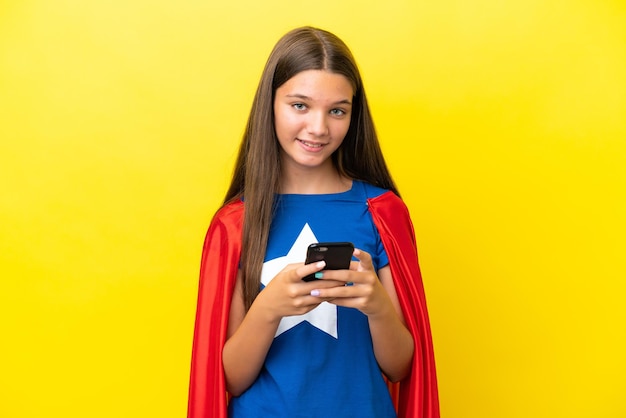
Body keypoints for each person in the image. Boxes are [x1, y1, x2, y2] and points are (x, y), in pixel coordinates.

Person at [188, 26, 439, 418]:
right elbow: (230, 379)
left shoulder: (382, 213)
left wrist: (377, 306)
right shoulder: (236, 223)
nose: (319, 127)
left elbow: (401, 367)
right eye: (300, 105)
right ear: (270, 104)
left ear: (353, 115)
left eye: (337, 110)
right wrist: (269, 307)